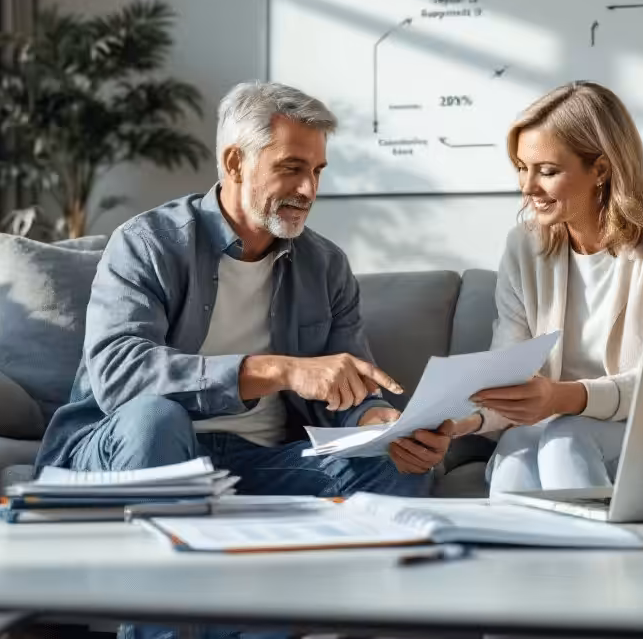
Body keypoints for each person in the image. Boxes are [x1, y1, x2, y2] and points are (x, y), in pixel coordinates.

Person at [35, 81, 455, 497]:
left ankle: (207, 511)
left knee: (398, 466)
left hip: (262, 461)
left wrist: (379, 424)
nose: (309, 189)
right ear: (235, 163)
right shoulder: (148, 243)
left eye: (317, 171)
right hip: (142, 445)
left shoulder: (326, 266)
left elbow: (349, 390)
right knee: (157, 421)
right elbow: (120, 376)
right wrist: (281, 369)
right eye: (291, 168)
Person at [444, 81, 643, 493]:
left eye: (548, 171)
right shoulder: (525, 245)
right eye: (522, 167)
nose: (527, 187)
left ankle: (610, 556)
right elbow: (512, 375)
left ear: (600, 169)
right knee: (517, 450)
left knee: (565, 439)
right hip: (549, 426)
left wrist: (563, 398)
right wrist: (461, 422)